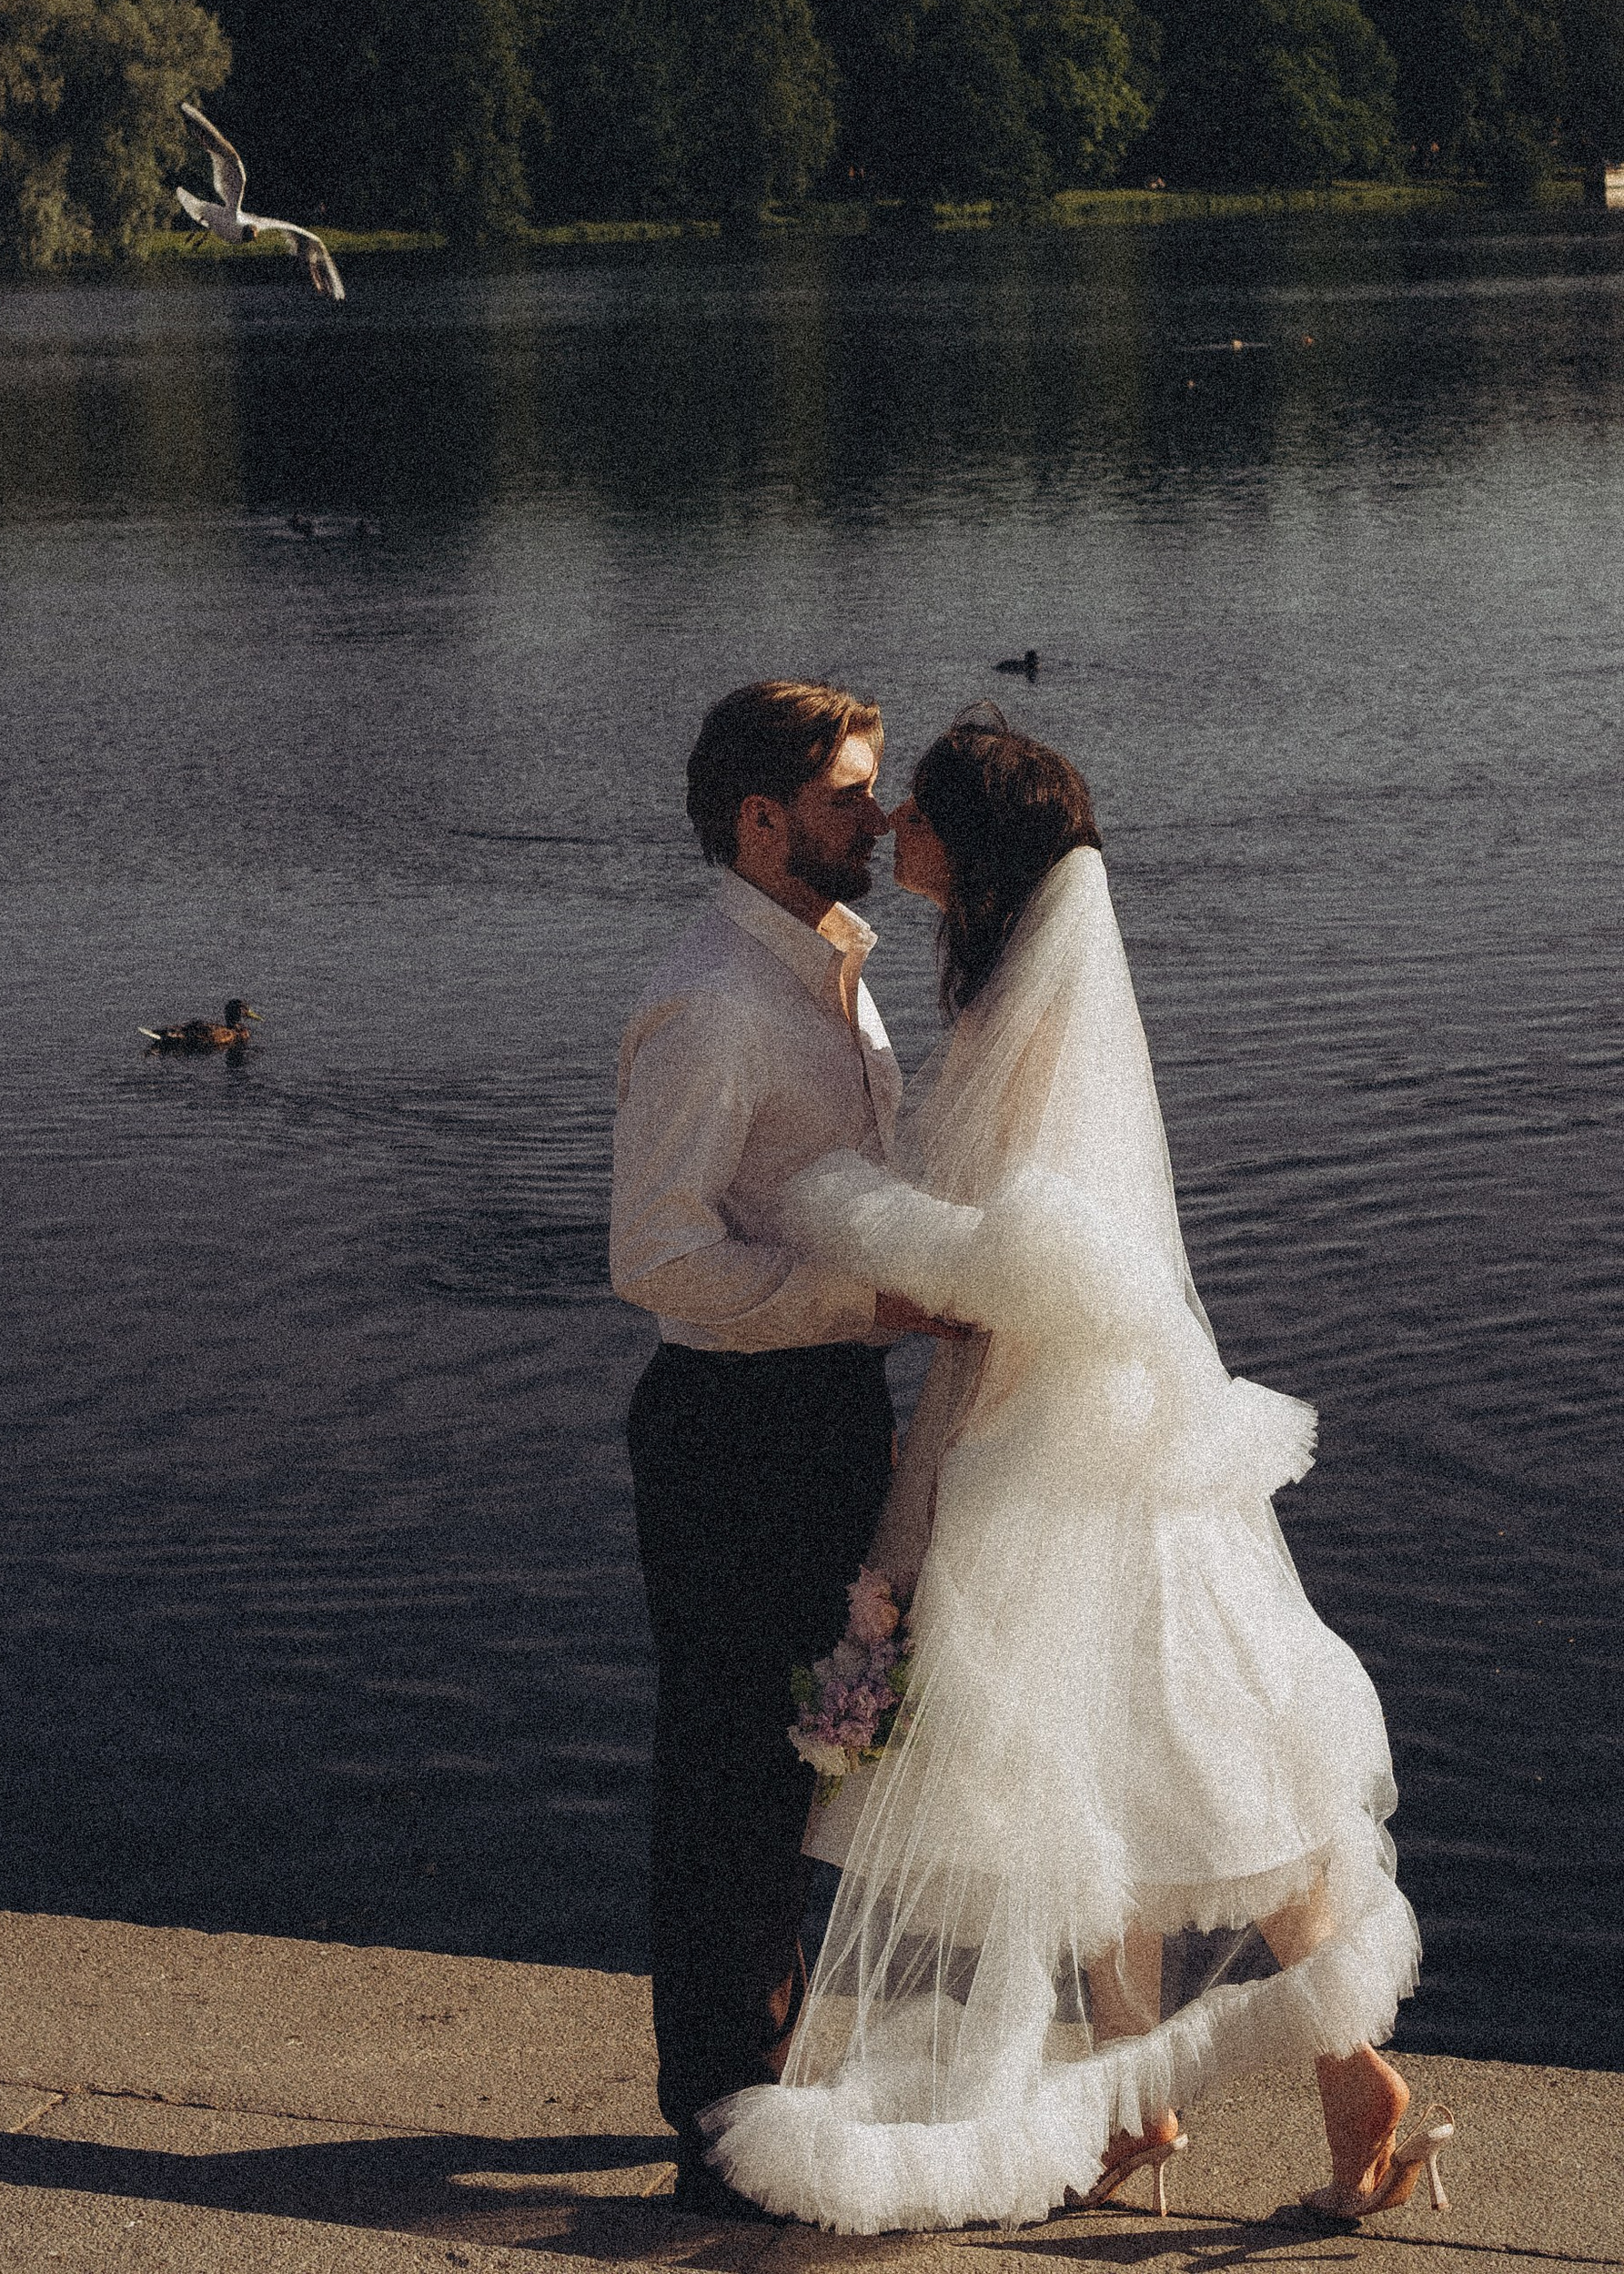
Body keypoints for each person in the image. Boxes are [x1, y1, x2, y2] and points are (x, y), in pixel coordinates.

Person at [704, 709, 1451, 2236]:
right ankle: (1136, 2101)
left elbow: (1047, 1260)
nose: (892, 827)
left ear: (972, 846)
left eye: (915, 811)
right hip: (1025, 1422)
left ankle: (1351, 2074)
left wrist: (832, 1205)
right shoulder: (1001, 984)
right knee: (1086, 1771)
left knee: (1191, 1757)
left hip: (1076, 1439)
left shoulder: (1042, 1004)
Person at [610, 680, 963, 2218]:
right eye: (845, 794)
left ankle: (754, 2072)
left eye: (875, 790)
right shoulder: (713, 998)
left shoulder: (825, 969)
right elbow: (657, 1260)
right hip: (731, 1424)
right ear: (761, 821)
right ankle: (714, 2116)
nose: (876, 817)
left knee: (811, 1747)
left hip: (819, 1407)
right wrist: (861, 1297)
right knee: (731, 1767)